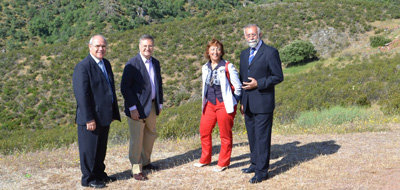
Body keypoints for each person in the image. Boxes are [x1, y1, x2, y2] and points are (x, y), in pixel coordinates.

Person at [72, 34, 121, 188]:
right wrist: (89, 118)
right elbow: (82, 95)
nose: (101, 49)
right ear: (90, 47)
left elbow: (109, 89)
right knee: (89, 150)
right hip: (91, 118)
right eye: (97, 46)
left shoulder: (106, 63)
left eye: (103, 46)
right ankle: (89, 179)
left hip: (104, 115)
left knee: (100, 148)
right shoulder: (83, 66)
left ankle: (100, 174)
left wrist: (113, 112)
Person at [239, 24, 284, 183]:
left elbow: (278, 76)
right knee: (252, 136)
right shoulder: (244, 54)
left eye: (253, 34)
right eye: (248, 35)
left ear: (260, 34)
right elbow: (242, 78)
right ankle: (254, 163)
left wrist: (259, 83)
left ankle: (262, 172)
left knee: (262, 138)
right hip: (248, 104)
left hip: (263, 103)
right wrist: (242, 102)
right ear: (245, 37)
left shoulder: (270, 52)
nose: (251, 37)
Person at [193, 39, 242, 172]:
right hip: (209, 103)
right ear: (208, 52)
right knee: (204, 131)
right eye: (213, 49)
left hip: (224, 104)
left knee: (225, 134)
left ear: (221, 52)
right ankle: (205, 159)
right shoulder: (205, 67)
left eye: (218, 49)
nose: (215, 52)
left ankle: (223, 162)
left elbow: (238, 87)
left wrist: (234, 102)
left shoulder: (228, 66)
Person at [120, 34, 163, 181]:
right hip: (136, 108)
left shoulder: (156, 63)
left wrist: (160, 103)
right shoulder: (132, 64)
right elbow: (125, 88)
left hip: (151, 105)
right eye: (145, 46)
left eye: (150, 46)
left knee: (150, 135)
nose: (147, 48)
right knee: (137, 139)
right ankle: (136, 170)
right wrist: (132, 108)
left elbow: (159, 84)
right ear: (139, 47)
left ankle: (146, 162)